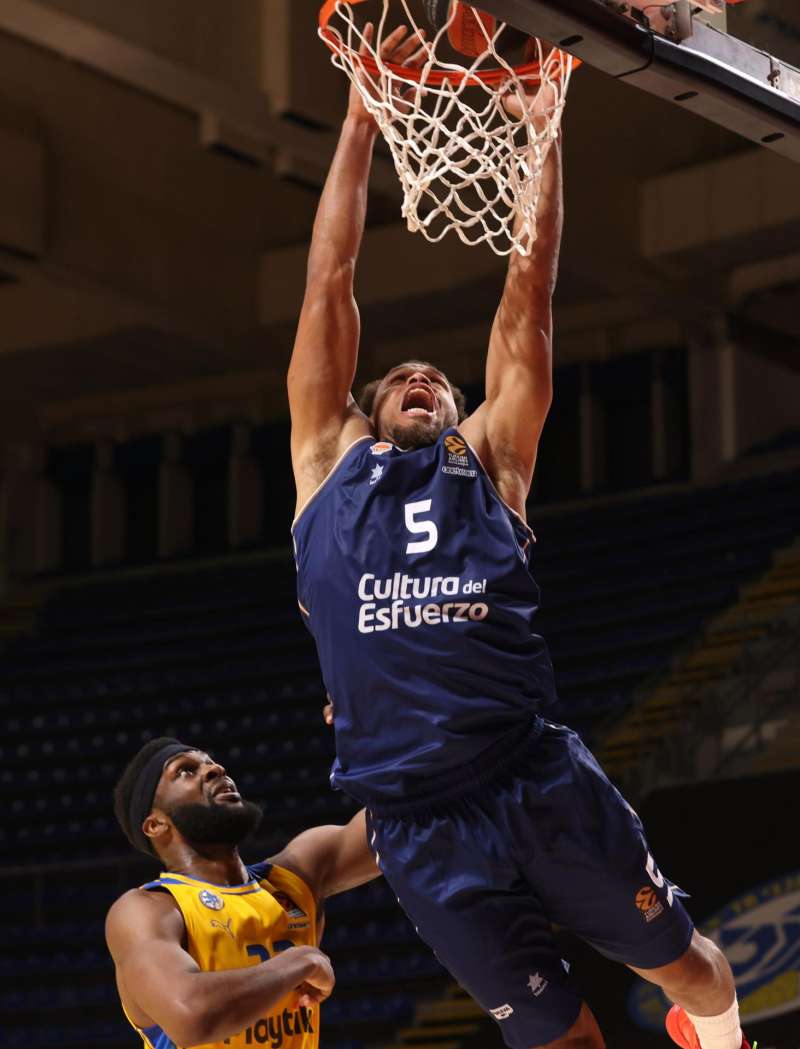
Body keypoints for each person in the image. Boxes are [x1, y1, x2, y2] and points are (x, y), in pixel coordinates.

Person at [287, 17, 751, 1049]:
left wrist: (542, 137)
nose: (419, 378)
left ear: (456, 410)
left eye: (436, 381)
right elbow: (327, 286)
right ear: (365, 406)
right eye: (398, 376)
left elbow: (525, 305)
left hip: (530, 774)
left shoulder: (488, 463)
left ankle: (717, 1034)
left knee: (689, 965)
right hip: (410, 820)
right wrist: (362, 115)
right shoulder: (326, 470)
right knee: (556, 1036)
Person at [106, 737, 380, 1049]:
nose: (214, 769)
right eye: (185, 771)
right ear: (155, 824)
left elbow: (400, 821)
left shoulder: (295, 876)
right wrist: (299, 962)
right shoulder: (148, 910)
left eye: (210, 761)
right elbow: (192, 1015)